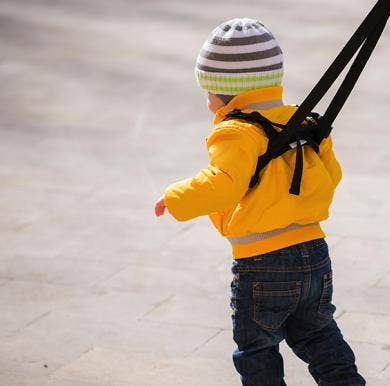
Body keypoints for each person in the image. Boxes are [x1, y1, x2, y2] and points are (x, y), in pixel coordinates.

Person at [154, 18, 365, 386]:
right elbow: (332, 177)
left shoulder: (236, 132)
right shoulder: (306, 123)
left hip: (262, 263)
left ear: (227, 94)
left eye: (209, 93)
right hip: (314, 254)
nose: (207, 103)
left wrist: (174, 198)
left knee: (256, 349)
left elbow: (223, 185)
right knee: (318, 335)